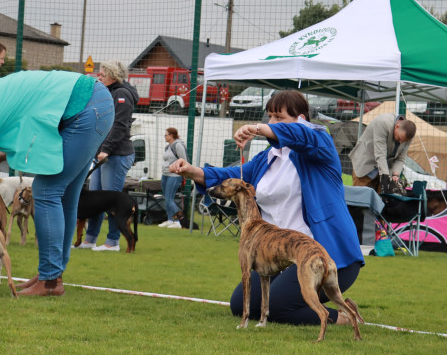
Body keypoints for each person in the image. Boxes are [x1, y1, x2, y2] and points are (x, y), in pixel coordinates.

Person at [170, 90, 364, 327]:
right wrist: (193, 171)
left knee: (277, 308)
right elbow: (231, 177)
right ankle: (333, 304)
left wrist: (258, 129)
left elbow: (301, 134)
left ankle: (341, 316)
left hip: (327, 256)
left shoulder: (320, 142)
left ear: (301, 119)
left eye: (279, 118)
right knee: (240, 305)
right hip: (280, 256)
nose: (271, 123)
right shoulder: (266, 158)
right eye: (269, 117)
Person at [0, 70, 113, 297]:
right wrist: (4, 154)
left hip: (86, 108)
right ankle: (51, 275)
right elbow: (27, 120)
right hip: (94, 103)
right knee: (66, 195)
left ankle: (50, 280)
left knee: (46, 190)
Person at [81, 60, 138, 251]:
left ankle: (112, 242)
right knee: (95, 201)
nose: (99, 76)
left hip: (116, 154)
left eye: (102, 74)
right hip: (102, 154)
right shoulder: (108, 92)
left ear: (113, 75)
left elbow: (120, 125)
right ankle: (89, 240)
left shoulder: (121, 94)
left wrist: (107, 149)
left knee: (112, 202)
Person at [349, 113, 417, 193]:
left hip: (384, 168)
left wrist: (395, 174)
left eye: (404, 141)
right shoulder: (383, 123)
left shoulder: (408, 135)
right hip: (365, 164)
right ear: (397, 126)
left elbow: (400, 158)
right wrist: (385, 176)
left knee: (380, 202)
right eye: (399, 138)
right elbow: (380, 154)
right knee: (359, 198)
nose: (401, 142)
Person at [159, 127, 189, 229]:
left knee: (169, 199)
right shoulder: (167, 147)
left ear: (171, 135)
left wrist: (183, 175)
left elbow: (184, 160)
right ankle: (170, 220)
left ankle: (178, 221)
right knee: (166, 198)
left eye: (166, 134)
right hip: (165, 174)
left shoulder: (178, 145)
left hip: (174, 175)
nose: (165, 136)